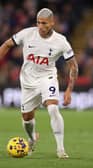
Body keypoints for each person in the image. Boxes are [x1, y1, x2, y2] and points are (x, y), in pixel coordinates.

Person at [0, 8, 78, 159]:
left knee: (53, 108)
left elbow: (73, 66)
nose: (41, 26)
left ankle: (61, 149)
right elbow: (6, 45)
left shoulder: (61, 41)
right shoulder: (27, 33)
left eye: (44, 23)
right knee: (27, 118)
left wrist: (69, 90)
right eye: (38, 23)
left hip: (47, 78)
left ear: (52, 23)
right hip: (28, 82)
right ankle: (31, 139)